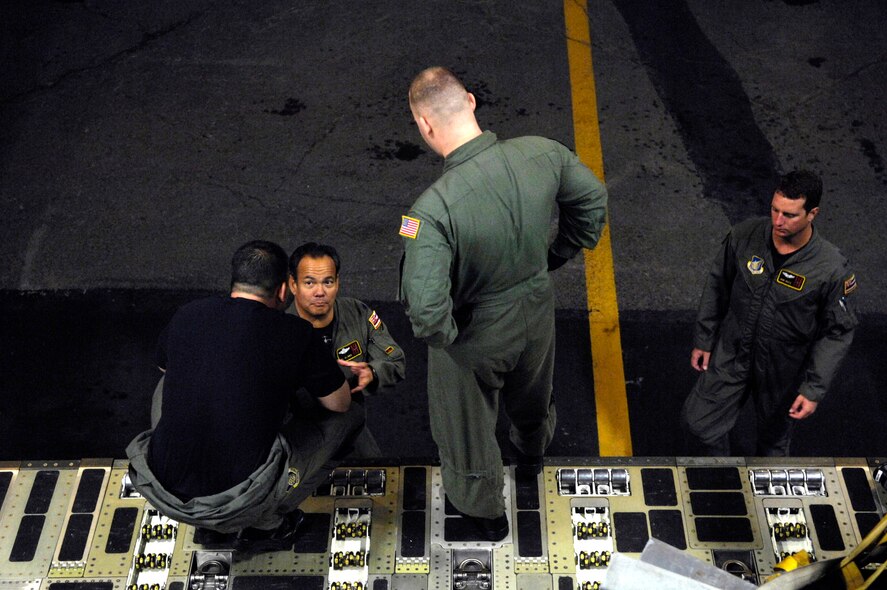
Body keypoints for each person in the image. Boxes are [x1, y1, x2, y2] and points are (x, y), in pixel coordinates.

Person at [399, 67, 608, 541]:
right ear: (470, 101)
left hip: (476, 329)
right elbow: (592, 201)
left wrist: (453, 340)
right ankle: (531, 456)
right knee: (533, 392)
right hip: (536, 306)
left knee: (466, 427)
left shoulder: (430, 212)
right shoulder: (543, 151)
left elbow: (428, 312)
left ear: (425, 126)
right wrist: (555, 256)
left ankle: (486, 515)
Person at [126, 240, 364, 553]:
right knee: (349, 416)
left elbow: (163, 365)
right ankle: (267, 525)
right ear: (282, 291)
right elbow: (339, 403)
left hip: (163, 490)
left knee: (169, 381)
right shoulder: (295, 332)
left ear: (234, 283)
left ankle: (211, 527)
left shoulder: (188, 314)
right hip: (237, 502)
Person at [682, 170, 858, 456]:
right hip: (734, 352)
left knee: (773, 446)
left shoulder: (830, 268)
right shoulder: (745, 236)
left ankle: (763, 498)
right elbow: (718, 285)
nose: (777, 221)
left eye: (789, 215)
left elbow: (837, 332)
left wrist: (813, 388)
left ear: (812, 213)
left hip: (783, 368)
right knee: (698, 425)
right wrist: (704, 338)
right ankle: (722, 481)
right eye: (775, 210)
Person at [287, 242, 406, 456]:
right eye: (309, 283)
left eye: (328, 282)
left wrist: (373, 372)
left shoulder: (358, 314)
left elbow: (395, 361)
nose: (320, 292)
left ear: (338, 282)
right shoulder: (279, 329)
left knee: (377, 477)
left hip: (352, 430)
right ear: (293, 285)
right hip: (299, 438)